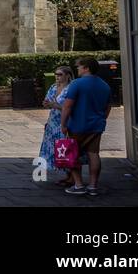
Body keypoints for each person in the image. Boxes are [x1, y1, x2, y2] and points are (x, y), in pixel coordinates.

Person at [60, 57, 112, 196]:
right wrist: (101, 119)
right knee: (94, 154)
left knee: (71, 154)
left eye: (78, 66)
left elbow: (67, 106)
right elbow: (108, 107)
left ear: (86, 68)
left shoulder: (77, 84)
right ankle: (93, 186)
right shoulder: (104, 85)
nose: (77, 69)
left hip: (77, 126)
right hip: (96, 126)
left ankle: (78, 185)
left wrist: (63, 124)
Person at [39, 66, 77, 185]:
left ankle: (73, 177)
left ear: (68, 75)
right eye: (56, 74)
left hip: (65, 122)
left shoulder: (71, 89)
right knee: (57, 148)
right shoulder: (53, 87)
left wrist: (54, 105)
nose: (57, 76)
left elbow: (70, 107)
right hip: (52, 123)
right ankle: (67, 175)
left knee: (66, 148)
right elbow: (48, 102)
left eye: (60, 74)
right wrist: (46, 104)